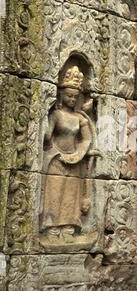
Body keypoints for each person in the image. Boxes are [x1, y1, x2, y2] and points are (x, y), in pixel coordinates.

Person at [40, 66, 96, 242]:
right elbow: (47, 136)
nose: (72, 99)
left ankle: (69, 227)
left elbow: (86, 139)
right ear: (61, 95)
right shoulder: (56, 114)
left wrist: (80, 153)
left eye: (75, 97)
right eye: (69, 96)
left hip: (75, 159)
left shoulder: (80, 118)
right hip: (56, 158)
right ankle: (52, 228)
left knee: (71, 195)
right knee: (55, 193)